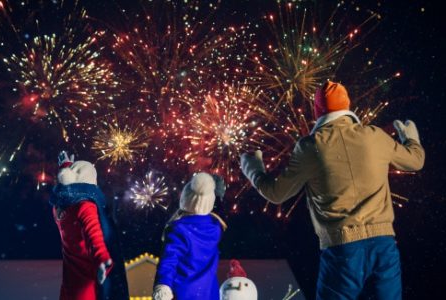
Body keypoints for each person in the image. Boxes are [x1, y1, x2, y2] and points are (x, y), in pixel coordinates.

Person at [240, 81, 425, 300]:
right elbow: (416, 161)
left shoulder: (311, 146)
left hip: (342, 250)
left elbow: (276, 193)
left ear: (317, 111)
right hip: (384, 247)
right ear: (348, 105)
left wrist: (254, 170)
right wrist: (411, 139)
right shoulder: (374, 136)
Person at [50, 151, 129, 300]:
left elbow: (67, 184)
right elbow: (93, 233)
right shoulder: (85, 206)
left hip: (69, 285)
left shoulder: (60, 208)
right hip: (87, 286)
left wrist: (66, 167)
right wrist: (102, 258)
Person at [153, 172, 227, 300]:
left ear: (185, 199)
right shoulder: (215, 227)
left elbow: (169, 260)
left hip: (182, 293)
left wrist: (163, 284)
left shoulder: (179, 229)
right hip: (208, 294)